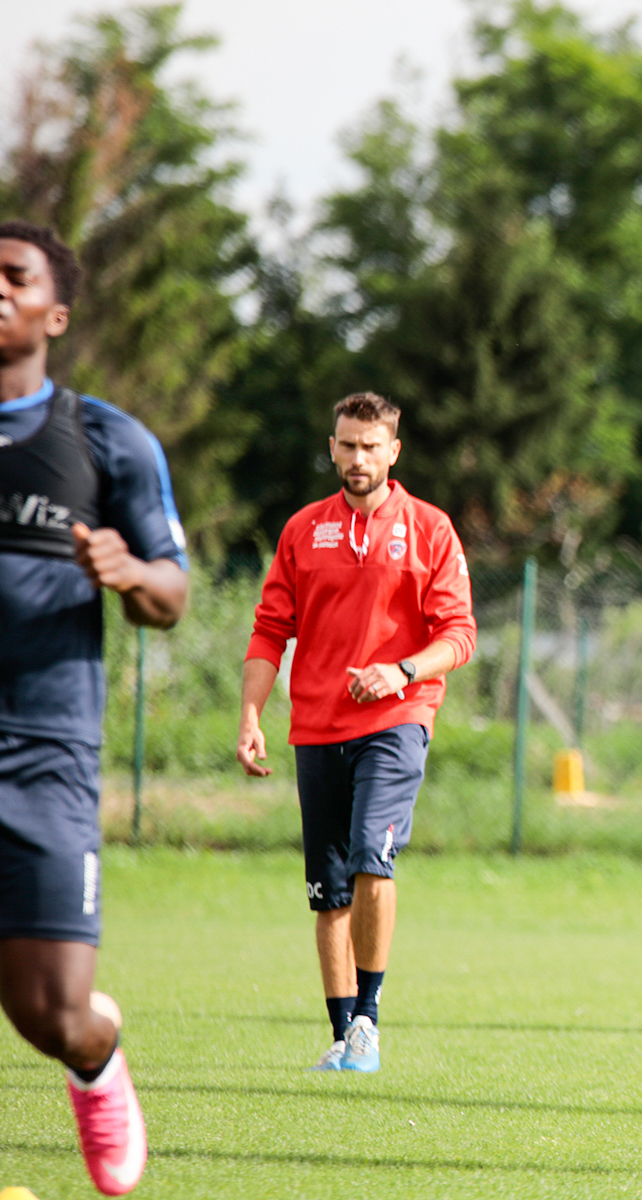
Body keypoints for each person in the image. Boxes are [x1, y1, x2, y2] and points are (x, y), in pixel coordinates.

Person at [0, 220, 190, 1195]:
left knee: (49, 1012)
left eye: (13, 276)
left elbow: (171, 597)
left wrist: (128, 571)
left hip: (44, 752)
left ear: (54, 312)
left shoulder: (107, 438)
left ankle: (95, 1054)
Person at [236, 391, 475, 1072]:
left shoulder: (430, 528)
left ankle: (369, 1019)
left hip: (397, 720)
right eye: (347, 444)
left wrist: (401, 672)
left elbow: (459, 633)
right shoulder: (302, 529)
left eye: (371, 446)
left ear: (394, 451)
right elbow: (269, 631)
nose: (357, 457)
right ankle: (343, 1037)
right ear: (332, 447)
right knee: (328, 889)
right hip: (315, 725)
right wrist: (252, 715)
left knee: (375, 853)